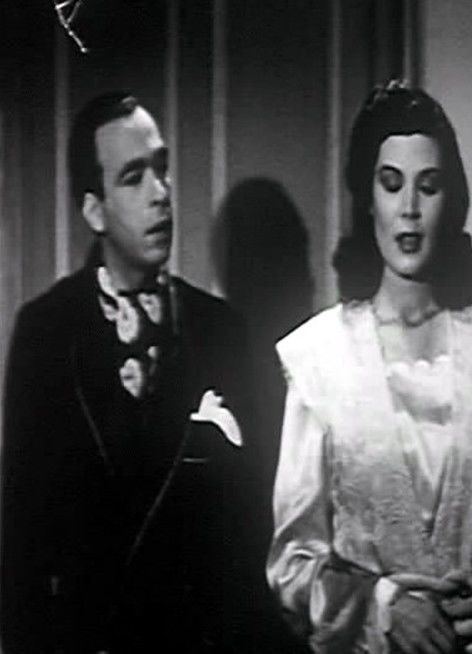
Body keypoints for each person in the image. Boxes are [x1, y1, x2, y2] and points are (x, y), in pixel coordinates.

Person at [267, 81, 472, 654]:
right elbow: (291, 564)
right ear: (366, 197)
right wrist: (381, 608)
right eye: (391, 183)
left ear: (452, 200)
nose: (410, 210)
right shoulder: (317, 357)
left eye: (429, 186)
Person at [1, 92, 274, 652]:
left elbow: (256, 529)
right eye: (133, 178)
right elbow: (22, 538)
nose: (161, 194)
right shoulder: (46, 333)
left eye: (161, 169)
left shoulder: (222, 331)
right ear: (94, 210)